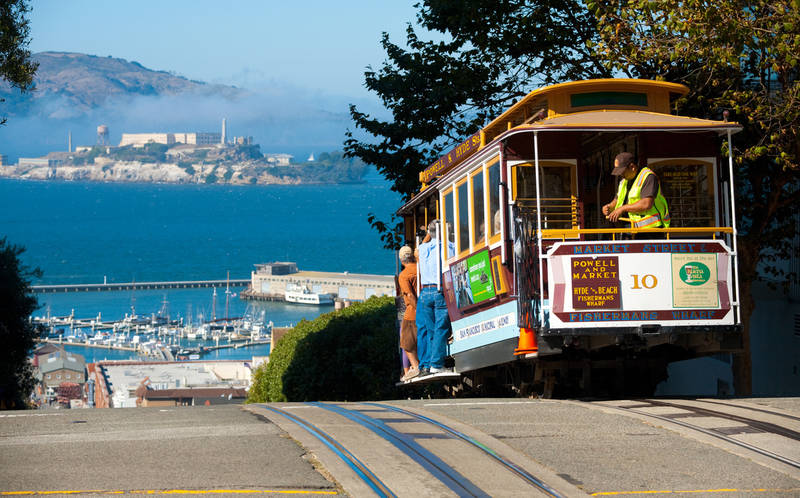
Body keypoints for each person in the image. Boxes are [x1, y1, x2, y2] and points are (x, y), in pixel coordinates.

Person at [415, 220, 452, 375]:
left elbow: (417, 252)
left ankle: (429, 364)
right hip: (438, 290)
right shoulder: (447, 247)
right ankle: (436, 364)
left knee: (431, 329)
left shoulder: (421, 249)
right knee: (441, 328)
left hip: (424, 292)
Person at [602, 152, 670, 234]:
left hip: (650, 231)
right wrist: (610, 206)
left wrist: (622, 208)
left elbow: (646, 204)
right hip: (629, 229)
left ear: (632, 167)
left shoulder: (648, 177)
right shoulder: (624, 181)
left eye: (622, 172)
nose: (620, 175)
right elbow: (617, 199)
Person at [397, 245, 420, 381]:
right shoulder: (420, 268)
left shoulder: (404, 275)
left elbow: (410, 295)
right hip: (426, 306)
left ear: (401, 260)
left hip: (412, 311)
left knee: (406, 342)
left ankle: (415, 367)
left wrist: (418, 309)